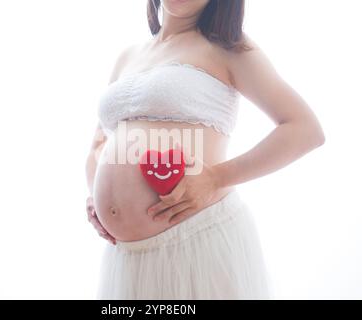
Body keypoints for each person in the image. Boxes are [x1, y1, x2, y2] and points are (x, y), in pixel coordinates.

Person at [85, 0, 325, 299]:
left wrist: (215, 178)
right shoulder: (127, 56)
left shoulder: (229, 49)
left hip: (196, 241)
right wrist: (94, 197)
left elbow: (305, 129)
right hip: (127, 257)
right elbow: (99, 142)